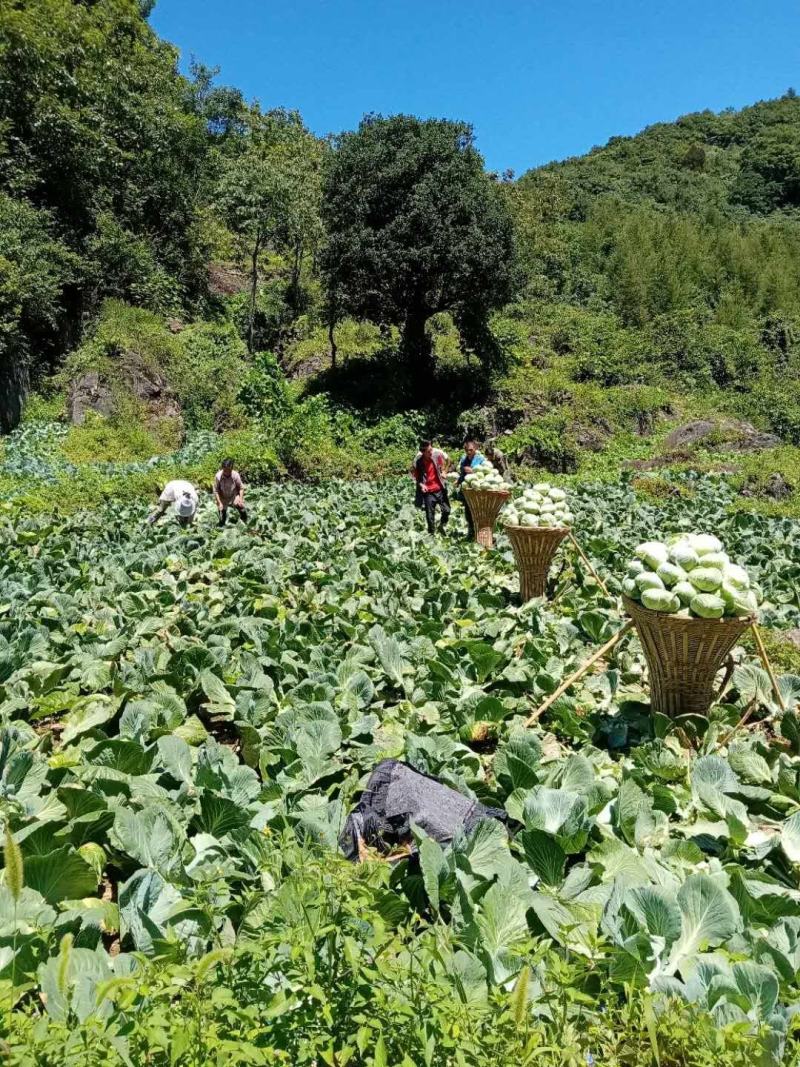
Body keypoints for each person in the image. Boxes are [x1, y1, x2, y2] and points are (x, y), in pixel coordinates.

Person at [410, 439, 450, 535]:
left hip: (440, 488)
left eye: (431, 449)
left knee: (447, 510)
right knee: (430, 515)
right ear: (423, 452)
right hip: (428, 491)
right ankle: (431, 535)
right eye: (429, 451)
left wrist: (444, 471)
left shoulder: (437, 456)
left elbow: (445, 464)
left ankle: (442, 525)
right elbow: (415, 474)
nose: (431, 452)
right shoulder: (419, 462)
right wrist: (421, 484)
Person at [456, 439, 486, 539]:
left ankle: (480, 533)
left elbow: (486, 473)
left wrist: (473, 471)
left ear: (475, 449)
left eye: (471, 450)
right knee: (468, 511)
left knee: (478, 511)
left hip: (477, 490)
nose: (469, 452)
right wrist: (458, 481)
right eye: (467, 450)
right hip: (467, 491)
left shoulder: (481, 459)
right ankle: (471, 531)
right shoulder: (463, 459)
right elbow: (461, 472)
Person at [213, 458, 247, 526]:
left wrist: (240, 499)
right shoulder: (218, 476)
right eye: (225, 470)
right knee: (222, 514)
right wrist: (219, 503)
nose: (227, 472)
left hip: (233, 495)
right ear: (222, 468)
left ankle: (244, 521)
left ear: (231, 469)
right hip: (223, 496)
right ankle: (223, 525)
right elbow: (216, 491)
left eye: (229, 470)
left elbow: (241, 488)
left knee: (241, 507)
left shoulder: (235, 475)